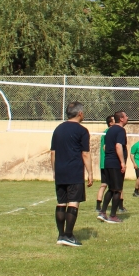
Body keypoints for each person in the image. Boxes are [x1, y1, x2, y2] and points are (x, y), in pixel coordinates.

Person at [50, 101, 94, 247]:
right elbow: (85, 154)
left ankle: (61, 235)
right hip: (74, 171)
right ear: (80, 113)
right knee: (73, 202)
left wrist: (55, 171)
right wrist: (90, 173)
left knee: (61, 202)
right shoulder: (82, 131)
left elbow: (53, 153)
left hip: (60, 171)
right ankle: (68, 235)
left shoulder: (58, 129)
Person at [98, 110, 129, 224]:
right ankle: (113, 216)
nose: (127, 117)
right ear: (121, 118)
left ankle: (102, 212)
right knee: (117, 190)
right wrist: (122, 162)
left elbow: (105, 147)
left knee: (111, 189)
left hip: (108, 162)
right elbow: (118, 146)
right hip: (115, 164)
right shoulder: (120, 130)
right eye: (126, 116)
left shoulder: (109, 130)